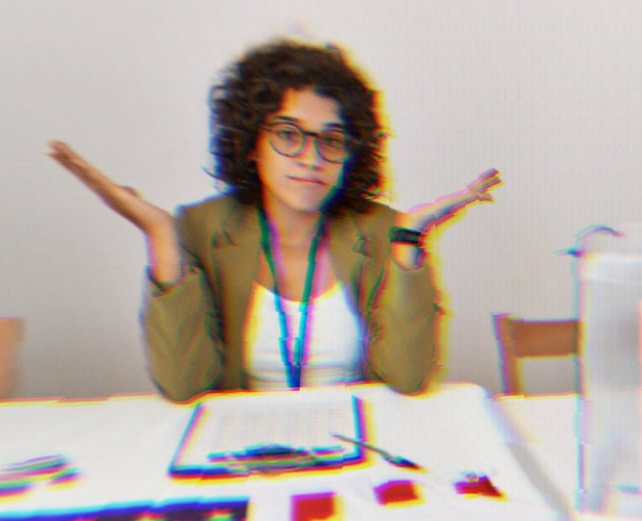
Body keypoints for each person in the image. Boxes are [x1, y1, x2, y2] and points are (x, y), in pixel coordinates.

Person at [48, 39, 500, 402]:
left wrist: (407, 242)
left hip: (358, 451)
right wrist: (161, 234)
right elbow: (185, 387)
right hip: (243, 457)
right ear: (250, 142)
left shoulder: (382, 229)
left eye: (332, 140)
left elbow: (409, 380)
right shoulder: (201, 229)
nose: (312, 158)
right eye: (288, 135)